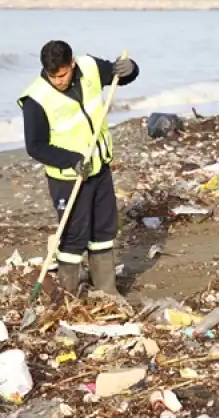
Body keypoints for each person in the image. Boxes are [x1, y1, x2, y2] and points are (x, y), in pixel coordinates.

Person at [17, 40, 140, 296]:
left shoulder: (90, 67)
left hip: (99, 167)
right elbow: (36, 147)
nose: (58, 81)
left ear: (72, 64)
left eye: (62, 74)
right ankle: (68, 294)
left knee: (104, 230)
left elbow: (119, 77)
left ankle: (106, 290)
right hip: (68, 177)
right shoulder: (36, 100)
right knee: (74, 236)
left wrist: (132, 69)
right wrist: (71, 160)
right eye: (53, 76)